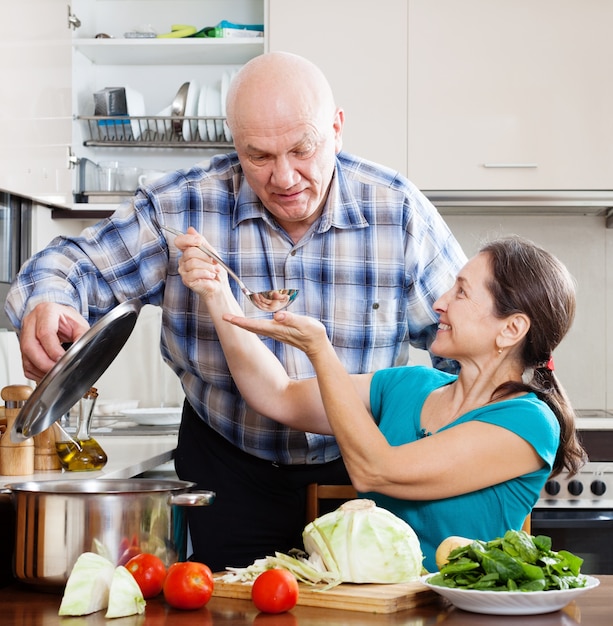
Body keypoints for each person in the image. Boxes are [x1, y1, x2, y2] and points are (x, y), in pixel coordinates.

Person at [4, 52, 467, 572]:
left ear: (337, 128)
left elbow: (466, 347)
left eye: (301, 148)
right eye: (259, 156)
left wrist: (436, 454)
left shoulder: (398, 212)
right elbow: (71, 263)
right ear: (234, 143)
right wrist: (49, 301)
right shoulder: (181, 207)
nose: (284, 177)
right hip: (226, 468)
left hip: (358, 473)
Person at [175, 233, 586, 572]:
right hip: (375, 604)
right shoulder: (411, 385)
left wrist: (320, 351)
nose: (440, 302)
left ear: (510, 328)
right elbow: (277, 395)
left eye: (461, 293)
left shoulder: (527, 422)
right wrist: (217, 295)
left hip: (459, 612)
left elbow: (377, 472)